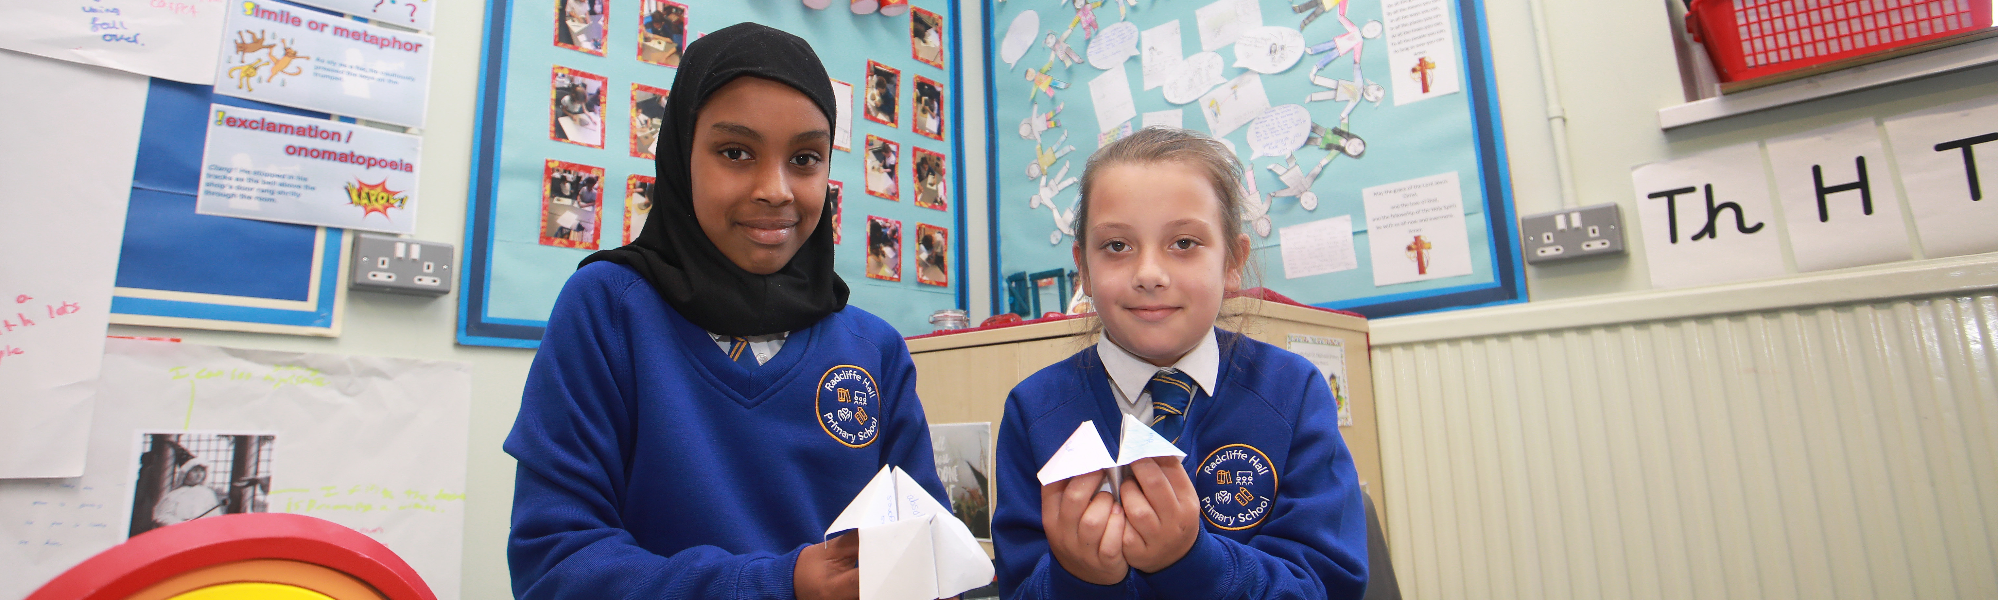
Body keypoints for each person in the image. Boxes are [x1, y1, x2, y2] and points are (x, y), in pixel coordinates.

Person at [506, 23, 949, 600]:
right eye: (735, 152)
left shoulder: (875, 350)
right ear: (679, 156)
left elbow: (930, 562)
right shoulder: (609, 311)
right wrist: (778, 585)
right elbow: (556, 564)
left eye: (806, 158)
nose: (776, 189)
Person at [991, 127, 1368, 599]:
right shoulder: (1034, 410)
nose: (1149, 273)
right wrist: (1077, 577)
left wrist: (1193, 563)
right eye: (1116, 246)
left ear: (1233, 261)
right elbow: (1019, 587)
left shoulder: (1293, 393)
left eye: (1185, 243)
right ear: (1083, 269)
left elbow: (1326, 586)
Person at [152, 463, 222, 527]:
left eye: (201, 471)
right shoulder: (174, 495)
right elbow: (162, 515)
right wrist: (182, 524)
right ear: (185, 473)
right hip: (178, 531)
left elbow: (215, 516)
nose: (199, 475)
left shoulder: (208, 494)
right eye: (195, 471)